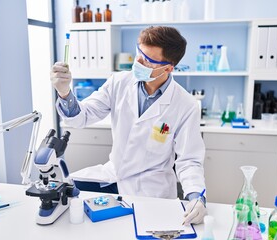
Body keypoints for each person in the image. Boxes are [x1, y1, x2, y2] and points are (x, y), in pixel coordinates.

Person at [50, 26, 207, 225]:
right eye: (139, 53)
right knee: (67, 192)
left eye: (147, 60)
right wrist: (65, 93)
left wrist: (196, 197)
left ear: (168, 68)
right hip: (113, 176)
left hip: (152, 190)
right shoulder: (119, 82)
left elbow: (189, 160)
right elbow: (83, 117)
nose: (138, 61)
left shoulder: (185, 104)